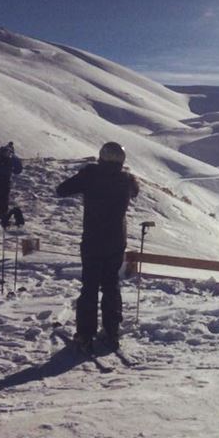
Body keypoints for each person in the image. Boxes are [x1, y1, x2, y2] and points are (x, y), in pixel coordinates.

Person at [56, 142, 139, 350]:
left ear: (101, 157)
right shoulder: (126, 181)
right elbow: (135, 191)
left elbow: (62, 190)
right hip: (116, 241)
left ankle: (85, 334)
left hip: (93, 239)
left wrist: (87, 175)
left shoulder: (90, 175)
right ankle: (112, 331)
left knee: (90, 285)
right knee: (111, 284)